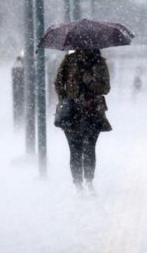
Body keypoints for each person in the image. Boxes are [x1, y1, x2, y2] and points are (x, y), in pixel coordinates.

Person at [54, 49, 112, 194]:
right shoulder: (69, 61)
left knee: (89, 148)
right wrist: (65, 99)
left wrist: (90, 81)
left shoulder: (99, 62)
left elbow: (105, 88)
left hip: (92, 112)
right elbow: (58, 83)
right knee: (75, 150)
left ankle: (89, 181)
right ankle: (78, 183)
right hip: (72, 113)